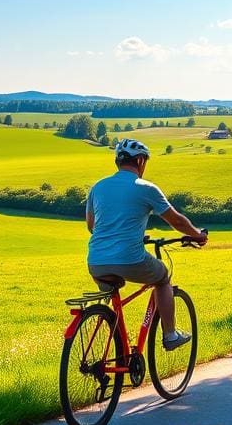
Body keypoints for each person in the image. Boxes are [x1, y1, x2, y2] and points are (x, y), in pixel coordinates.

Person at [85, 138, 207, 350]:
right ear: (141, 161)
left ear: (118, 162)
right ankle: (170, 336)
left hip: (96, 263)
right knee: (162, 278)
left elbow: (91, 226)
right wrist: (197, 234)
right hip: (130, 260)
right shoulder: (146, 188)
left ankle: (114, 348)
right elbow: (176, 220)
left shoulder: (98, 187)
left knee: (114, 292)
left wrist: (121, 233)